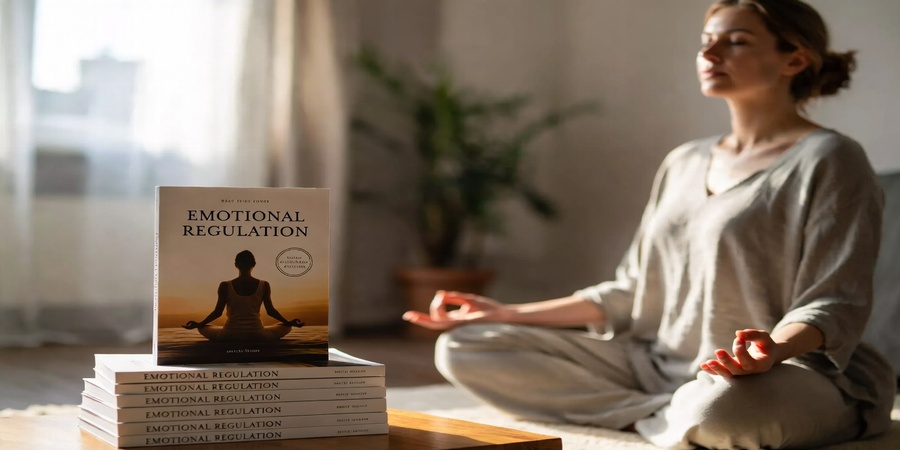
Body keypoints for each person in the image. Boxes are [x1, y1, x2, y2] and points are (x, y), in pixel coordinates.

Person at [402, 1, 896, 448]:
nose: (711, 52)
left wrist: (772, 350)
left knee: (721, 408)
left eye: (737, 41)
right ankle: (671, 417)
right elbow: (633, 291)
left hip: (784, 371)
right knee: (465, 346)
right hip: (658, 366)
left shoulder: (830, 159)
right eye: (707, 42)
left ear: (795, 59)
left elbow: (834, 303)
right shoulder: (684, 161)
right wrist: (503, 313)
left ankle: (684, 414)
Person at [183, 250, 305, 342]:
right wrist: (289, 322)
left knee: (205, 326)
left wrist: (199, 324)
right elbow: (271, 311)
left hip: (229, 335)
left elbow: (217, 312)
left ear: (236, 264)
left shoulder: (225, 285)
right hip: (258, 334)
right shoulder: (264, 285)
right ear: (254, 264)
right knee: (285, 326)